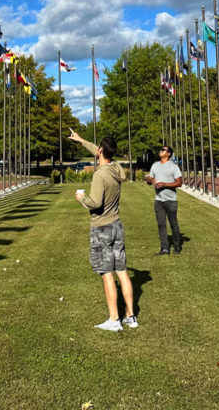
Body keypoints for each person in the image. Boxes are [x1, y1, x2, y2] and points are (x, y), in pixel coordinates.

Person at [68, 128, 137, 331]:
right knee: (122, 271)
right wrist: (81, 140)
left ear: (100, 151)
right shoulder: (116, 168)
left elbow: (95, 202)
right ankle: (130, 316)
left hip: (102, 228)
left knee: (106, 273)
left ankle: (114, 320)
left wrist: (81, 199)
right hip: (117, 226)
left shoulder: (99, 175)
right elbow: (98, 152)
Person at [146, 144, 183, 255]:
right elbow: (150, 179)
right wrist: (151, 181)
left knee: (173, 224)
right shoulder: (155, 165)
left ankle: (177, 246)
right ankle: (165, 248)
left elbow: (179, 183)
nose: (160, 151)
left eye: (163, 150)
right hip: (158, 200)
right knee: (161, 224)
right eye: (160, 149)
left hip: (171, 200)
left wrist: (164, 184)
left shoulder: (173, 166)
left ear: (168, 154)